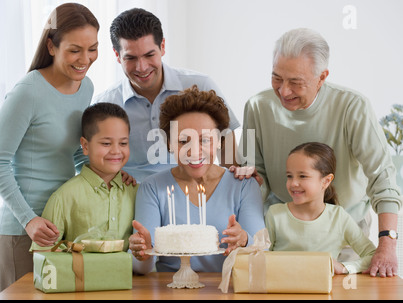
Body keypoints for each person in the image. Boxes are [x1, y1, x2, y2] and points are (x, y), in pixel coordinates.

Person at [238, 28, 402, 277]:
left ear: (321, 77)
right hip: (281, 238)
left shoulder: (353, 107)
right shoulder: (257, 107)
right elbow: (253, 177)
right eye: (276, 78)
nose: (283, 91)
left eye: (296, 82)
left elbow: (383, 178)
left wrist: (387, 245)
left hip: (343, 239)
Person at [0, 3, 99, 291]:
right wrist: (29, 220)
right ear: (52, 47)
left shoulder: (86, 87)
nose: (85, 59)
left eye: (92, 48)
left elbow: (76, 153)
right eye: (74, 50)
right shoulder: (27, 92)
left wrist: (108, 178)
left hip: (62, 225)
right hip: (23, 230)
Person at [92, 8, 240, 183]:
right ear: (117, 56)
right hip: (132, 196)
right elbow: (94, 163)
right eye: (131, 58)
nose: (142, 67)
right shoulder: (106, 103)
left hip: (192, 190)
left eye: (149, 55)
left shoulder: (201, 86)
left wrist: (230, 186)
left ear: (162, 47)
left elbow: (228, 147)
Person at [130, 86, 264, 274]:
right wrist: (142, 253)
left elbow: (262, 251)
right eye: (183, 141)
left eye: (205, 140)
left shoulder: (243, 185)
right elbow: (141, 269)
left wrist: (244, 239)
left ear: (219, 141)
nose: (194, 152)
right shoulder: (152, 188)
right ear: (169, 143)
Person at [31, 103, 138, 252]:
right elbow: (44, 255)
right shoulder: (63, 197)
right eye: (106, 143)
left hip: (130, 275)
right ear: (85, 146)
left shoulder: (137, 192)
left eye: (123, 143)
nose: (116, 151)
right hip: (79, 275)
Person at [266, 142, 376, 274]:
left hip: (325, 293)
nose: (293, 183)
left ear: (326, 181)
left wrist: (344, 268)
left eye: (302, 176)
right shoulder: (275, 214)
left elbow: (372, 256)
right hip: (281, 291)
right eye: (289, 176)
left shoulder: (339, 218)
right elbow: (260, 257)